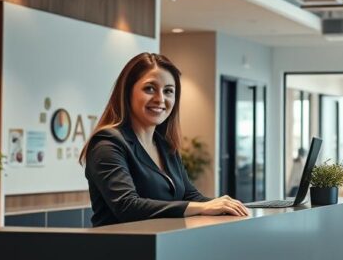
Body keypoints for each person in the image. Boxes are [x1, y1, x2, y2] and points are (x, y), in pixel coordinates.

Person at [81, 53, 248, 227]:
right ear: (127, 92)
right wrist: (202, 207)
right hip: (120, 249)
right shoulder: (107, 144)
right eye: (150, 89)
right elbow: (127, 206)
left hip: (162, 247)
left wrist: (224, 206)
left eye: (168, 91)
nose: (160, 99)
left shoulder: (165, 146)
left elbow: (191, 197)